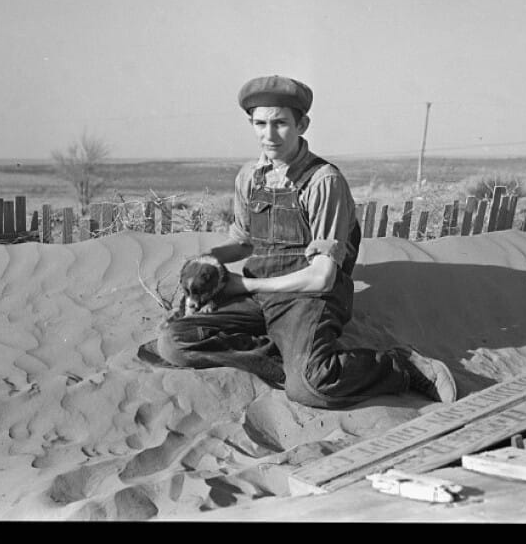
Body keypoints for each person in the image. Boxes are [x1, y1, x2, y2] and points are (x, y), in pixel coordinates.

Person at [151, 75, 457, 409]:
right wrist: (208, 259)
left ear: (303, 124)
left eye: (280, 123)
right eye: (260, 123)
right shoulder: (248, 177)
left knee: (314, 388)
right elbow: (242, 244)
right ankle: (295, 358)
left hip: (308, 299)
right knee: (174, 342)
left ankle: (400, 367)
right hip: (260, 295)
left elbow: (322, 277)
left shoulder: (324, 182)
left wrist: (246, 287)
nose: (269, 135)